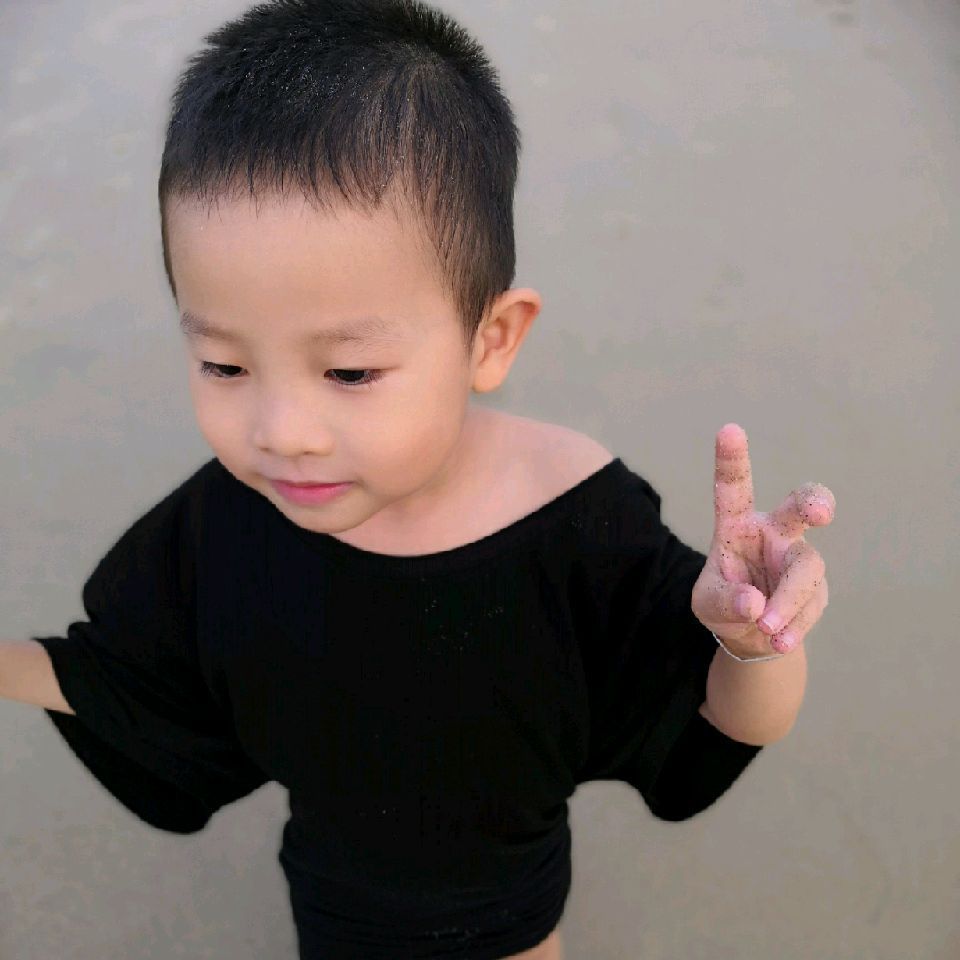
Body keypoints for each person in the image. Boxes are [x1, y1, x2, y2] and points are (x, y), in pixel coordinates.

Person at [1, 2, 834, 958]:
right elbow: (124, 682)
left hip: (512, 924)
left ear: (491, 338)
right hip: (335, 913)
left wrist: (755, 645)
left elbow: (721, 723)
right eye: (224, 364)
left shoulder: (581, 522)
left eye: (349, 371)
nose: (281, 434)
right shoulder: (224, 521)